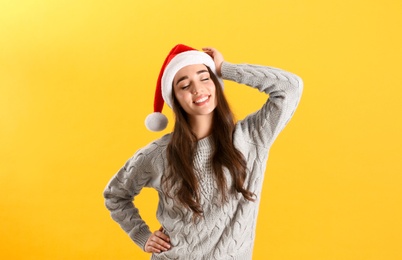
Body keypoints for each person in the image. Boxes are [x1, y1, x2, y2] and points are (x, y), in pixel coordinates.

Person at [103, 44, 303, 259]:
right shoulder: (158, 155)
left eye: (205, 78)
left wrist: (225, 69)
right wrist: (142, 235)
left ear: (216, 84)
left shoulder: (251, 137)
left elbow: (290, 87)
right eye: (184, 85)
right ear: (175, 99)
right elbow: (116, 195)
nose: (197, 90)